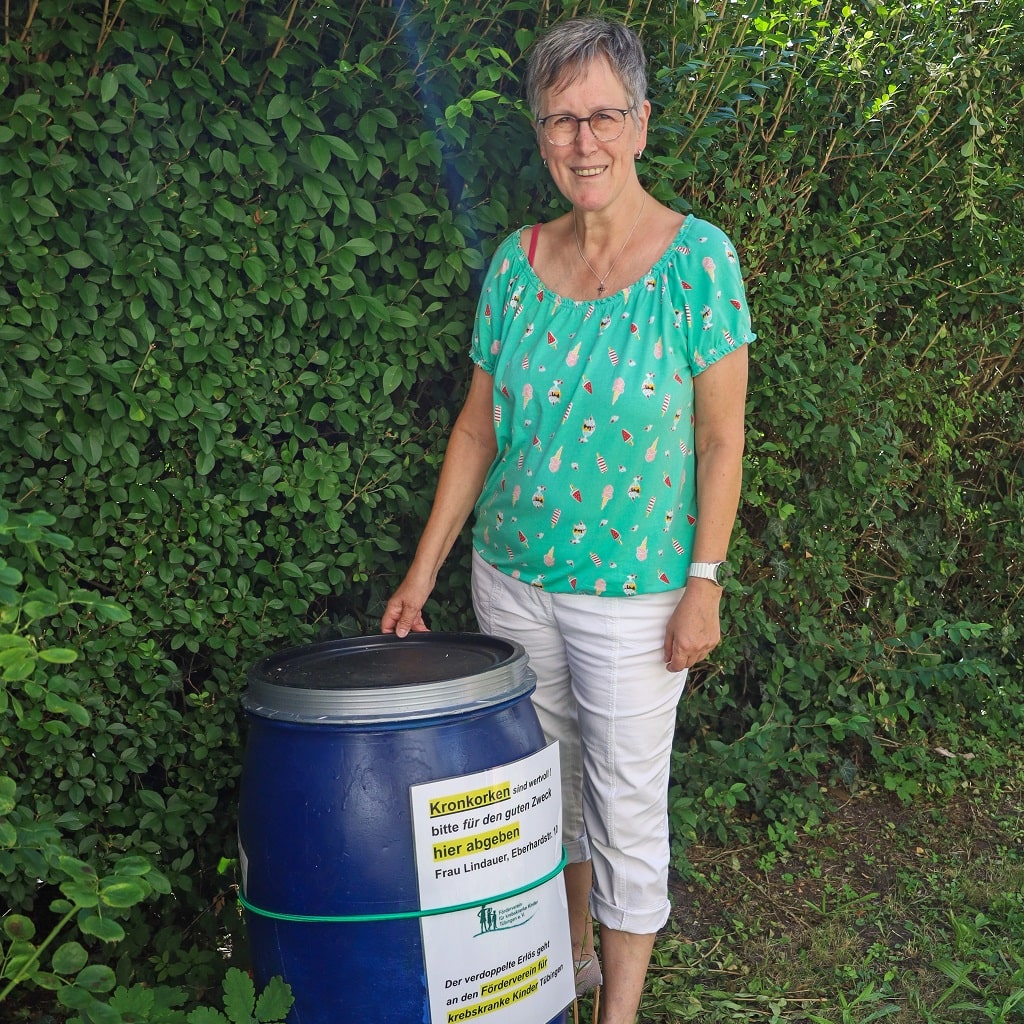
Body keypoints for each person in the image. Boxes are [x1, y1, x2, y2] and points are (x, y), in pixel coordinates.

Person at [382, 16, 754, 1023]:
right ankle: (573, 961)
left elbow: (721, 443)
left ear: (639, 122)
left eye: (600, 115)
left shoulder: (698, 262)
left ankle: (616, 1012)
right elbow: (473, 431)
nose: (581, 142)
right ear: (539, 133)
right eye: (559, 120)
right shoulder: (516, 261)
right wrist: (424, 573)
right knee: (543, 789)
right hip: (511, 582)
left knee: (625, 808)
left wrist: (704, 581)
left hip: (638, 600)